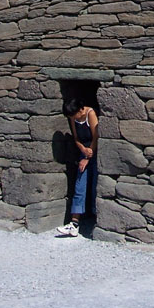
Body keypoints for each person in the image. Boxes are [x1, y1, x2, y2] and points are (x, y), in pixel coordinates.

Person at [56, 97, 98, 237]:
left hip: (95, 151)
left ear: (80, 109)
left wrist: (88, 156)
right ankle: (74, 223)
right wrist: (82, 150)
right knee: (80, 185)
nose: (73, 118)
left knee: (95, 186)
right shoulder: (74, 118)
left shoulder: (90, 114)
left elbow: (96, 136)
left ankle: (96, 218)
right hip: (84, 151)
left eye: (74, 115)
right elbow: (76, 138)